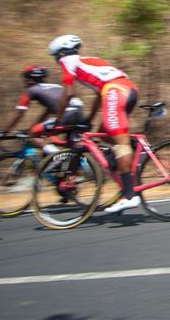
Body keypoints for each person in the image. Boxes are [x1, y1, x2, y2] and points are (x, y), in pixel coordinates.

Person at [48, 35, 140, 213]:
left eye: (55, 56)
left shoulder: (68, 60)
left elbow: (68, 93)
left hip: (115, 91)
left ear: (62, 52)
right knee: (104, 133)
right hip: (128, 89)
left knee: (120, 144)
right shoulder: (90, 60)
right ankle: (133, 152)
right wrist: (89, 120)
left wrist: (57, 120)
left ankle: (129, 195)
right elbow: (99, 94)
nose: (57, 60)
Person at [0, 66, 83, 152]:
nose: (25, 83)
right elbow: (48, 112)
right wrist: (32, 127)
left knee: (32, 135)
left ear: (29, 80)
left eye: (25, 80)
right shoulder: (56, 86)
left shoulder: (31, 90)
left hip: (67, 115)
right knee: (72, 147)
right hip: (79, 114)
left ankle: (58, 158)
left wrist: (5, 131)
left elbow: (19, 113)